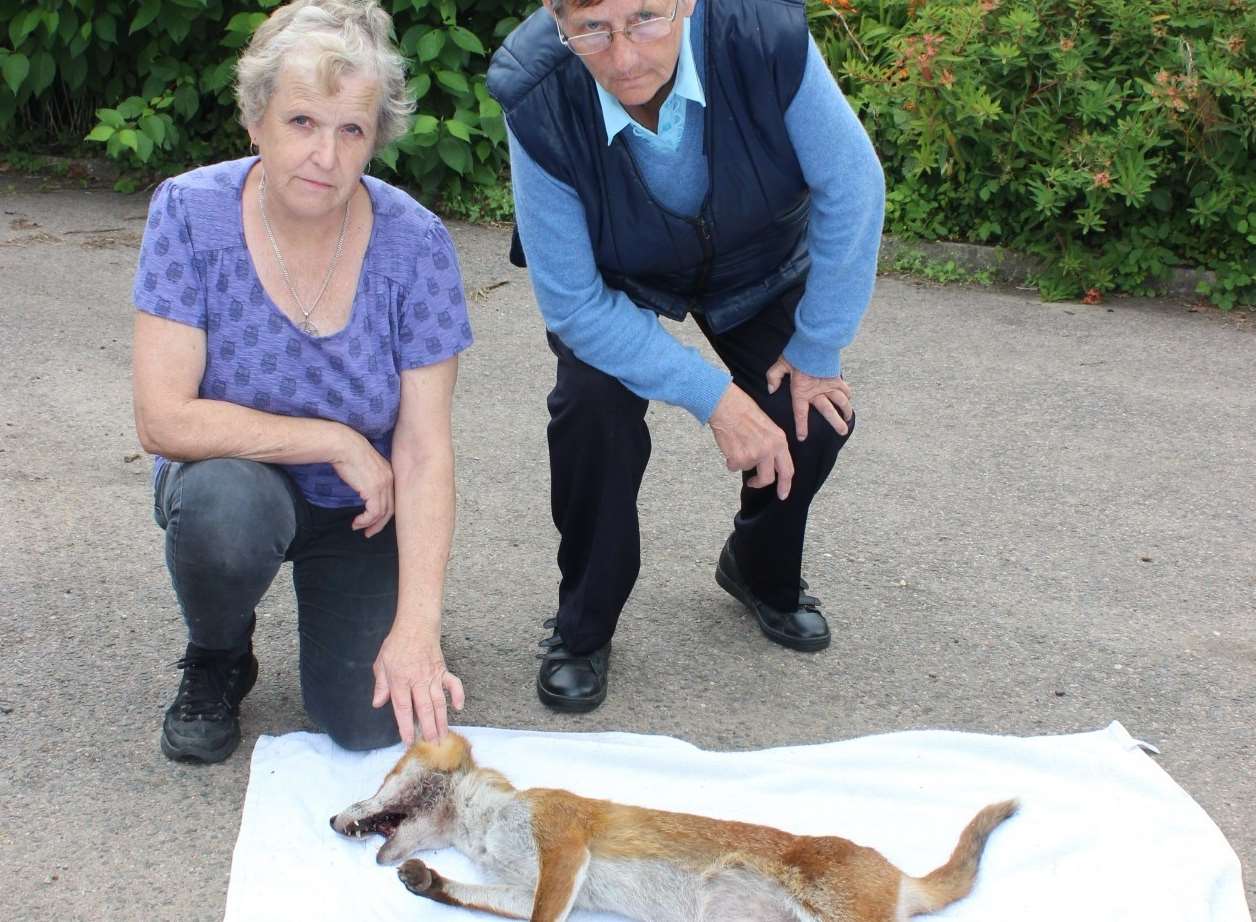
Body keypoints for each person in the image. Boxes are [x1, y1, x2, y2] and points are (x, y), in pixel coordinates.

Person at [486, 0, 885, 712]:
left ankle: (759, 570)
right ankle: (583, 627)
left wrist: (818, 345)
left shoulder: (765, 35)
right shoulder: (535, 92)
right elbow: (574, 304)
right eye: (592, 31)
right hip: (620, 274)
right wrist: (714, 398)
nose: (625, 56)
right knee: (591, 413)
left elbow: (853, 186)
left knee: (814, 413)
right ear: (556, 18)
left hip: (755, 257)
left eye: (645, 18)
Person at [131, 0, 472, 763]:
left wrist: (417, 625)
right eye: (301, 122)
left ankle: (382, 614)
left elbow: (423, 451)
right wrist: (331, 439)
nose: (325, 154)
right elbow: (162, 419)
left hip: (363, 507)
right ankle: (218, 652)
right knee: (223, 509)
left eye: (351, 129)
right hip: (236, 480)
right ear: (256, 120)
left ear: (376, 139)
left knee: (367, 725)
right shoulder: (190, 213)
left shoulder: (416, 243)